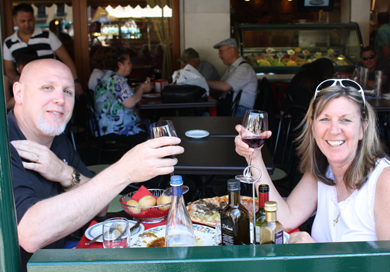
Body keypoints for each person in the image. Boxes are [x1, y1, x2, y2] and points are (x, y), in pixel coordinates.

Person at [9, 58, 183, 271]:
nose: (60, 99)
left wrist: (65, 173)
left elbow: (100, 207)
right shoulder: (5, 145)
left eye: (68, 91)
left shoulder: (56, 138)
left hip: (62, 255)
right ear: (19, 93)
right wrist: (124, 171)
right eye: (47, 87)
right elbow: (30, 234)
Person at [235, 79, 390, 243]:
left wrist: (317, 252)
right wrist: (254, 157)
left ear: (362, 129)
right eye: (324, 119)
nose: (334, 130)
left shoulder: (384, 180)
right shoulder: (323, 170)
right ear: (312, 127)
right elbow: (285, 219)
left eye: (346, 120)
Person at [3, 3, 83, 97]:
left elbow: (66, 58)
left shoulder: (48, 36)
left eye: (30, 20)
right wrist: (17, 78)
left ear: (34, 18)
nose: (27, 24)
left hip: (52, 86)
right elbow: (9, 69)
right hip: (27, 90)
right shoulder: (9, 43)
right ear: (15, 21)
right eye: (22, 21)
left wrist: (75, 81)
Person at [94, 47, 152, 145]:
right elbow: (130, 103)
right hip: (116, 129)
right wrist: (141, 88)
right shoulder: (116, 80)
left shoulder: (108, 77)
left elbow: (123, 96)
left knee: (148, 124)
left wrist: (137, 89)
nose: (131, 65)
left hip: (107, 127)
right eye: (129, 63)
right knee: (151, 138)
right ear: (120, 65)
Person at [207, 38, 258, 116]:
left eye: (221, 52)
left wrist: (203, 81)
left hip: (241, 110)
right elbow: (220, 89)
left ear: (231, 50)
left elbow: (224, 87)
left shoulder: (244, 68)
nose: (219, 56)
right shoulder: (232, 68)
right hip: (231, 107)